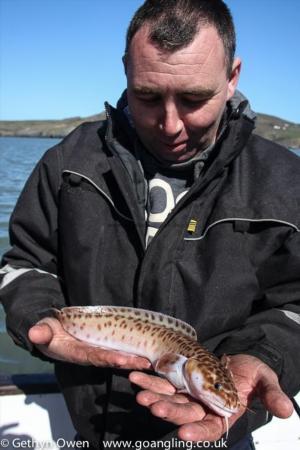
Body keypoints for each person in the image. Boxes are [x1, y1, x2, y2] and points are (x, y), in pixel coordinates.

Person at [0, 0, 299, 448]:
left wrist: (264, 355)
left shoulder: (286, 183)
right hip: (93, 428)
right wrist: (40, 319)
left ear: (232, 76)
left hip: (220, 436)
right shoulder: (68, 163)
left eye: (195, 98)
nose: (171, 124)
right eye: (148, 96)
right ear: (126, 69)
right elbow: (25, 262)